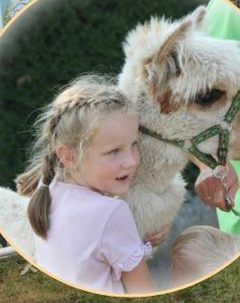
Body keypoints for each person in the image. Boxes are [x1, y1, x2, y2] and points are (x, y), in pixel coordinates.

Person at [26, 78, 157, 294]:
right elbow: (144, 291)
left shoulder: (48, 187)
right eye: (114, 151)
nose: (132, 161)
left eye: (134, 144)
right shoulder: (111, 213)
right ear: (68, 156)